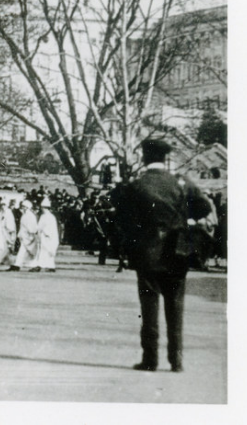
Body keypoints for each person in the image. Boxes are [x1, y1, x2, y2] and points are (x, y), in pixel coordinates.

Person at [112, 138, 212, 372]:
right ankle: (176, 360)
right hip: (177, 251)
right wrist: (185, 218)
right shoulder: (180, 182)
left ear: (144, 158)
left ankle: (150, 359)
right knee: (176, 306)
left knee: (149, 307)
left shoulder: (137, 185)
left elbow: (122, 219)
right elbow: (204, 207)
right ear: (165, 159)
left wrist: (136, 236)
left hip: (146, 253)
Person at [36, 196, 60, 272]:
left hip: (46, 236)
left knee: (45, 251)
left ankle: (41, 265)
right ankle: (49, 266)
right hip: (49, 236)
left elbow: (40, 226)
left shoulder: (45, 216)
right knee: (47, 251)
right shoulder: (52, 216)